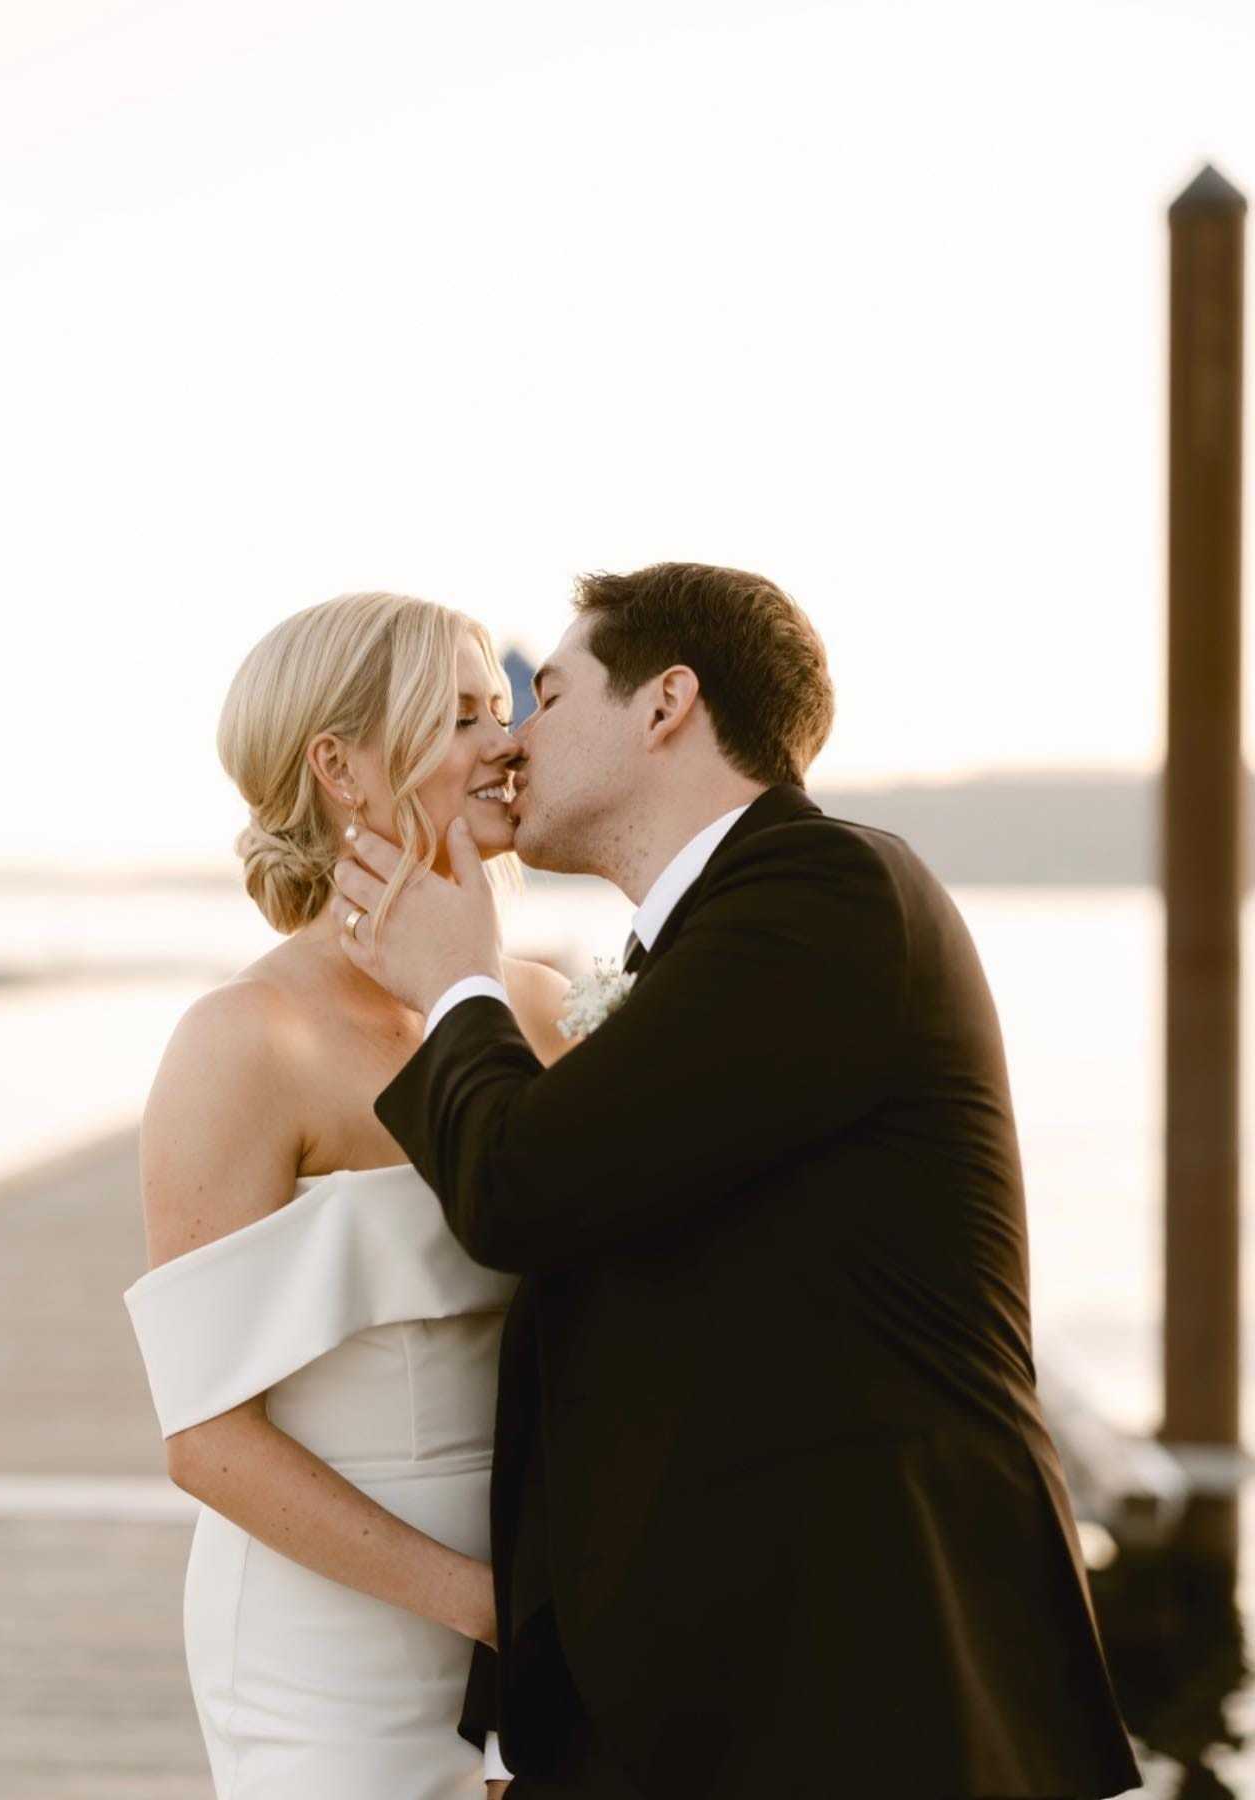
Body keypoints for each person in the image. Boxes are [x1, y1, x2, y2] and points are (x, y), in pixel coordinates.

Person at [332, 561, 1145, 1799]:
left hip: (877, 1688)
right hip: (721, 1690)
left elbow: (519, 1191)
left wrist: (457, 986)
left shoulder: (828, 895)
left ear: (666, 704)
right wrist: (525, 1727)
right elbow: (602, 1322)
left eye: (544, 695)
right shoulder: (710, 944)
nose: (512, 739)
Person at [124, 591, 568, 1798]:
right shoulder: (245, 1043)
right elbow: (207, 1440)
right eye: (464, 716)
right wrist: (480, 1602)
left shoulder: (534, 1012)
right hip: (330, 1644)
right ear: (341, 769)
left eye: (504, 708)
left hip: (544, 1615)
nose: (508, 741)